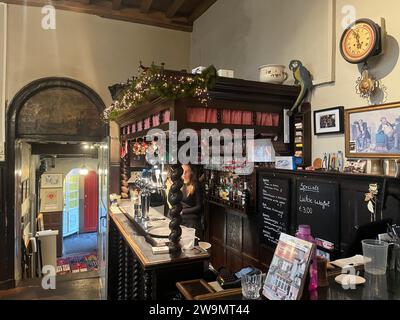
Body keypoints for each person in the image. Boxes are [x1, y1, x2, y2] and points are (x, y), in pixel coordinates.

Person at [180, 164, 204, 239]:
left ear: (191, 173)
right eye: (182, 171)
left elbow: (199, 207)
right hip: (180, 217)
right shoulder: (178, 184)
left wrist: (182, 211)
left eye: (186, 172)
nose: (184, 174)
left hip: (191, 219)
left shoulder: (196, 185)